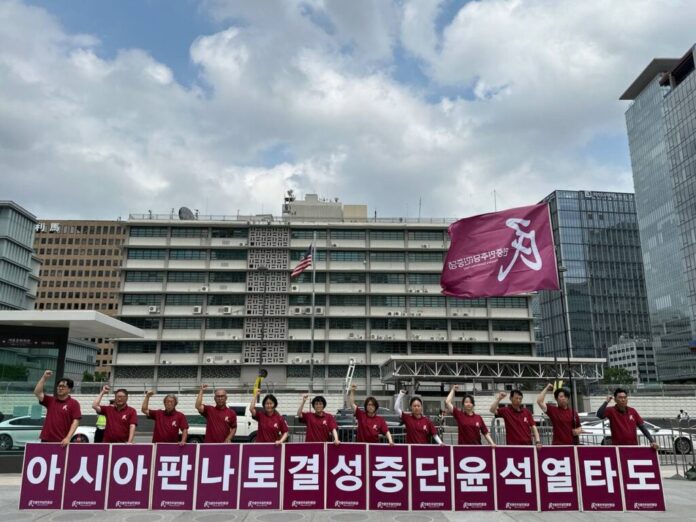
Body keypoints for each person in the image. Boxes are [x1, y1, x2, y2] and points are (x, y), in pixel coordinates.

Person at [33, 370, 81, 446]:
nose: (60, 388)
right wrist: (44, 377)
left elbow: (76, 421)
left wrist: (68, 438)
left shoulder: (74, 403)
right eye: (59, 386)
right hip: (46, 439)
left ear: (69, 389)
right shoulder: (50, 401)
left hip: (62, 441)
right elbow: (37, 392)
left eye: (63, 386)